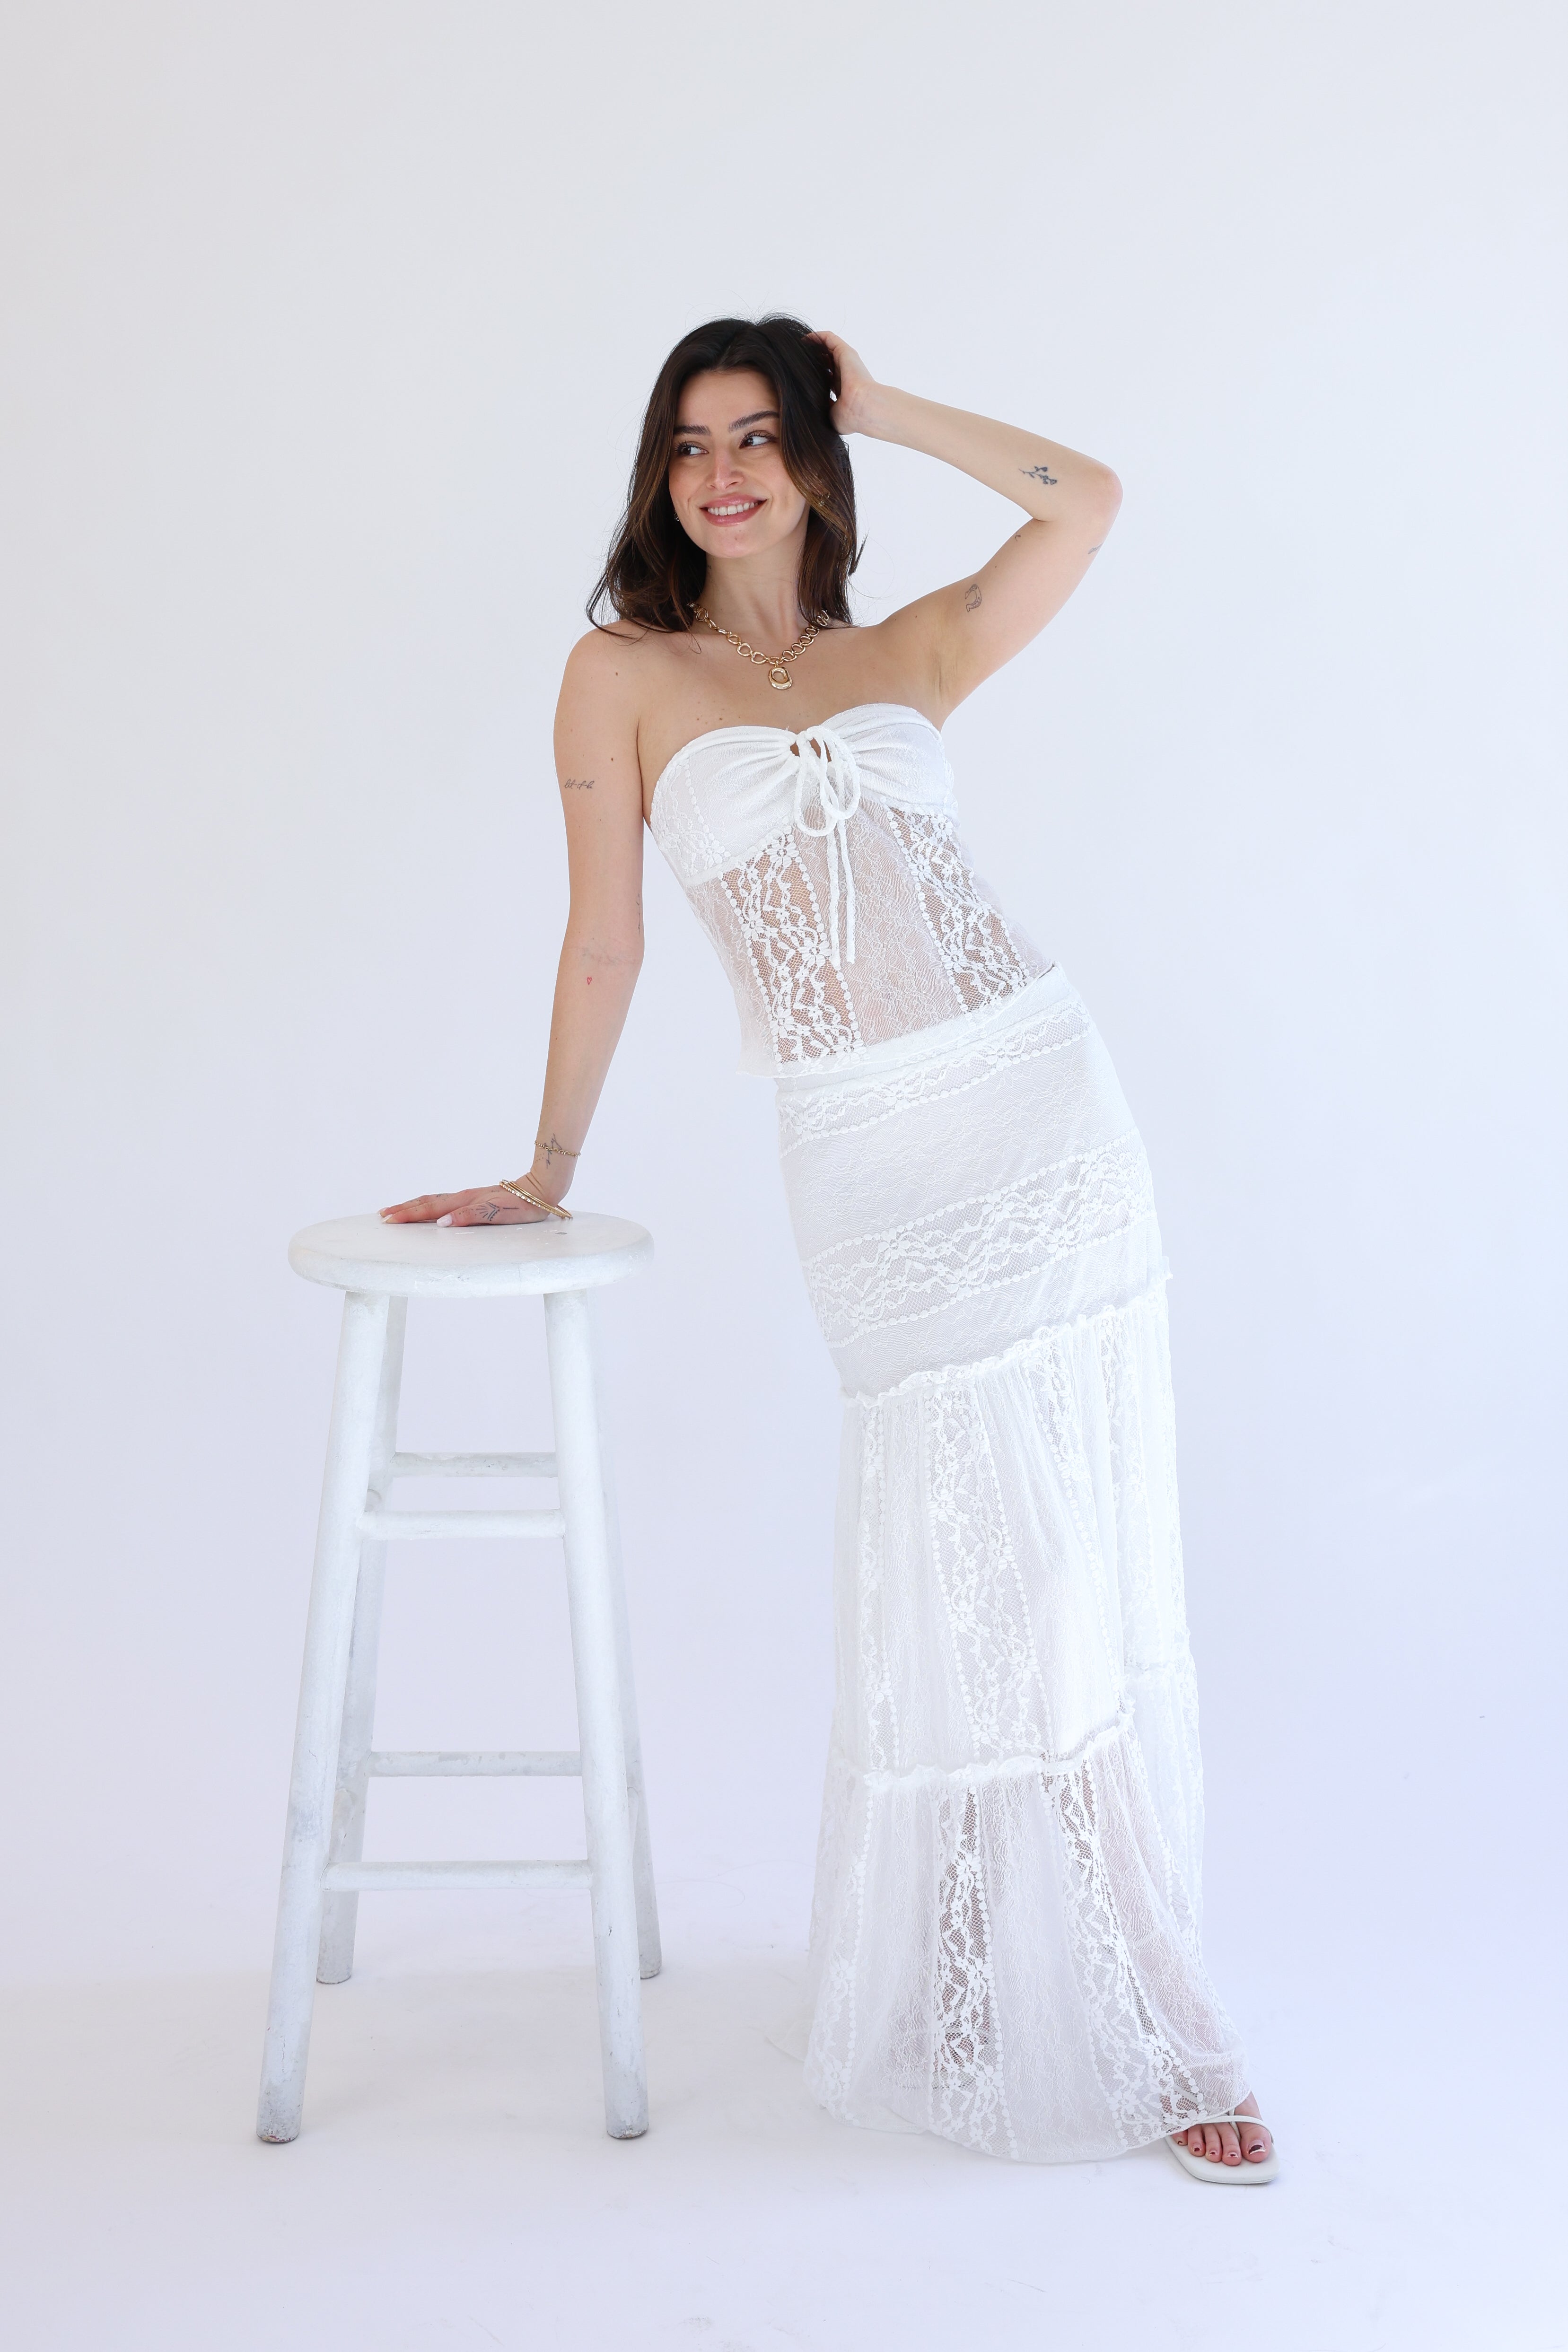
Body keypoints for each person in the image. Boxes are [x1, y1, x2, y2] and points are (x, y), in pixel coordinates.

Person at [382, 315, 1277, 2181]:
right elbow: (606, 939)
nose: (724, 471)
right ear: (660, 478)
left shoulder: (906, 652)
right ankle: (1004, 1957)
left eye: (762, 435)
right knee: (985, 1567)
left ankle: (1149, 1999)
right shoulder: (620, 677)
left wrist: (890, 403)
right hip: (870, 1159)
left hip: (1041, 1105)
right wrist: (546, 1160)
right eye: (691, 443)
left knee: (1073, 1563)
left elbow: (1088, 498)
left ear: (807, 458)